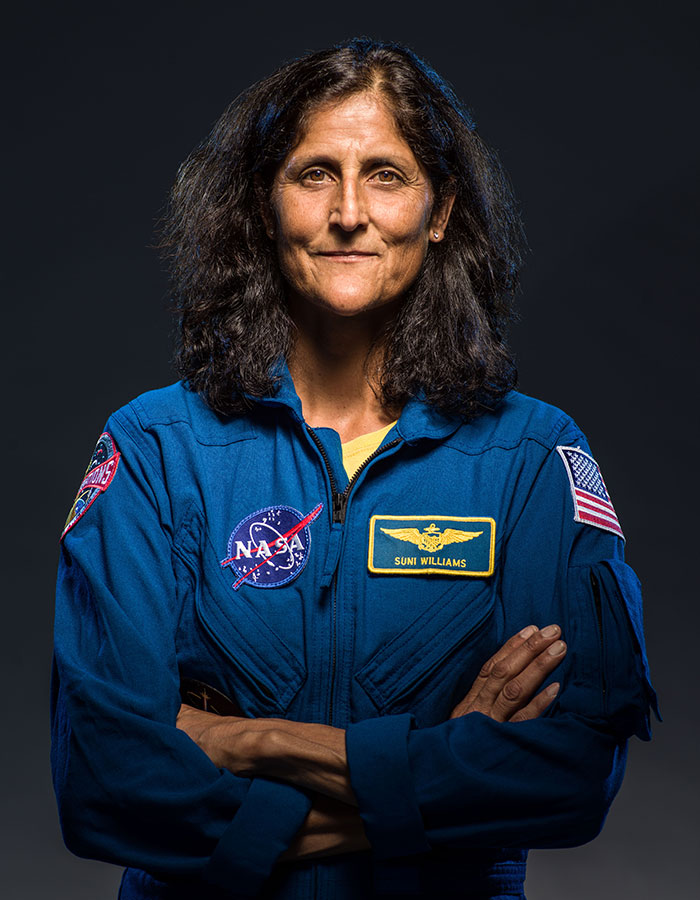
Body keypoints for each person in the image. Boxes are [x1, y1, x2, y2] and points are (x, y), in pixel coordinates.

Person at [51, 38, 659, 900]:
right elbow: (102, 781)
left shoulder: (529, 459)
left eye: (386, 175)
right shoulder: (155, 448)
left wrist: (245, 740)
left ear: (439, 210)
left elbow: (571, 772)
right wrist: (439, 766)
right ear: (264, 205)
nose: (348, 212)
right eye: (313, 175)